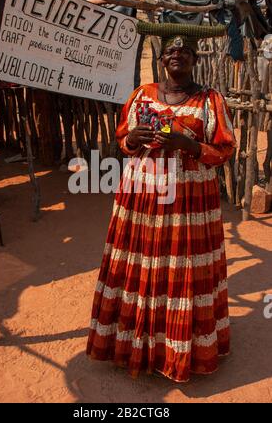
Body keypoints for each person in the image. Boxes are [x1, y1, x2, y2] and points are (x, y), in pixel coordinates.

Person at [86, 21, 236, 383]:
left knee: (182, 271)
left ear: (194, 58)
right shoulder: (142, 95)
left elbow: (225, 149)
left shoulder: (210, 100)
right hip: (142, 202)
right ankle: (138, 345)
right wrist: (134, 138)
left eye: (184, 52)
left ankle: (179, 350)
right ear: (162, 59)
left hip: (189, 206)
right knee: (141, 268)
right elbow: (123, 139)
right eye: (170, 51)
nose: (177, 56)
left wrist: (190, 146)